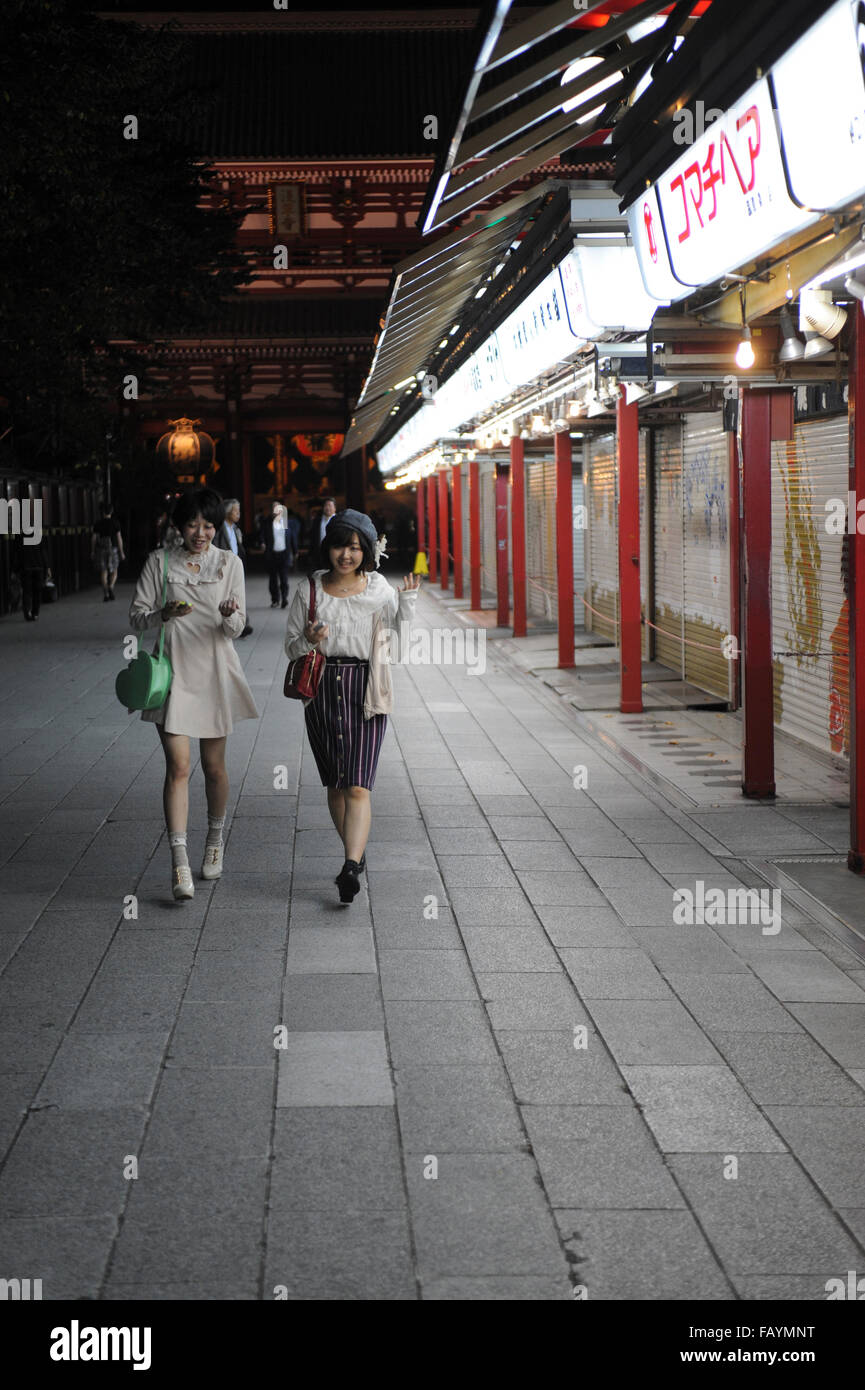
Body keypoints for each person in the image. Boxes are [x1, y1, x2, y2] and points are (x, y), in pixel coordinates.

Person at [128, 488, 259, 901]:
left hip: (215, 670)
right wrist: (161, 614)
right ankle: (179, 861)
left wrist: (229, 616)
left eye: (208, 525)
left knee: (214, 766)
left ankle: (215, 841)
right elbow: (136, 618)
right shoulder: (159, 561)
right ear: (178, 525)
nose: (200, 533)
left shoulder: (229, 563)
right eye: (192, 524)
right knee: (178, 767)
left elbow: (238, 627)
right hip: (173, 673)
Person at [284, 508, 420, 904]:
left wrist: (407, 604)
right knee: (335, 785)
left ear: (367, 552)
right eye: (341, 545)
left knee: (358, 783)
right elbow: (291, 647)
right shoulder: (308, 590)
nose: (347, 554)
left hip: (366, 690)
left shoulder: (379, 590)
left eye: (356, 547)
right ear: (329, 547)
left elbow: (398, 644)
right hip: (322, 688)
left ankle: (348, 865)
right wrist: (309, 638)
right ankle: (356, 855)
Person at [214, 498, 253, 637]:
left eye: (239, 511)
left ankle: (242, 623)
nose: (238, 514)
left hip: (235, 566)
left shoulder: (235, 528)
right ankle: (240, 624)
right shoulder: (219, 529)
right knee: (227, 595)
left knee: (238, 595)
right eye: (235, 511)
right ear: (227, 512)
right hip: (224, 567)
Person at [256, 498, 293, 608]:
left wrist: (294, 551)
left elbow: (292, 538)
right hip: (271, 554)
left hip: (284, 554)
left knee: (284, 579)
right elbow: (261, 535)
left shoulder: (286, 522)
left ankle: (284, 598)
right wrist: (262, 543)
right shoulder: (266, 522)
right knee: (273, 579)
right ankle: (275, 600)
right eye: (274, 509)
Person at [12, 533, 52, 622]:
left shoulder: (20, 535)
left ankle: (28, 612)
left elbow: (17, 553)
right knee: (37, 591)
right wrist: (47, 567)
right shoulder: (39, 534)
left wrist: (15, 570)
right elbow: (43, 551)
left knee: (27, 591)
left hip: (26, 567)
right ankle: (35, 613)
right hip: (38, 566)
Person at [92, 502, 125, 601]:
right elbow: (119, 538)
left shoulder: (98, 523)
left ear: (102, 512)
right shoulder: (115, 523)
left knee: (104, 571)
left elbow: (93, 538)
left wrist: (92, 551)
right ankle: (110, 587)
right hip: (113, 549)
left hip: (101, 549)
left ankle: (106, 594)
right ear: (112, 511)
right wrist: (121, 551)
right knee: (114, 570)